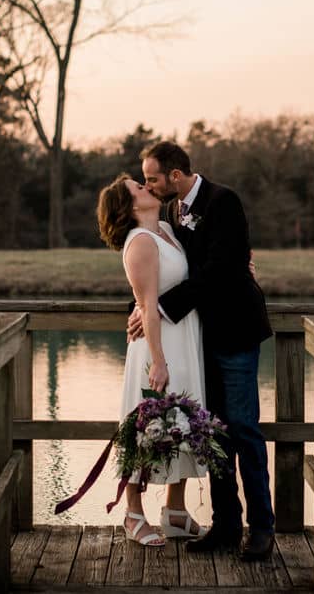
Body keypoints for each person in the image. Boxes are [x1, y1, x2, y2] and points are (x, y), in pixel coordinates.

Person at [131, 141, 275, 561]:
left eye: (152, 178)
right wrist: (139, 308)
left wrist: (157, 308)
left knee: (245, 430)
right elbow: (165, 271)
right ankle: (227, 525)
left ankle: (262, 528)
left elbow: (218, 270)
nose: (148, 185)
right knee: (214, 435)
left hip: (235, 333)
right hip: (199, 340)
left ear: (175, 176)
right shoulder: (172, 212)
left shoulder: (223, 201)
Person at [96, 173, 210, 547]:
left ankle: (175, 512)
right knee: (146, 425)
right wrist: (158, 361)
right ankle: (133, 513)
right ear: (130, 206)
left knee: (182, 422)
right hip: (156, 348)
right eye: (139, 189)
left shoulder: (165, 228)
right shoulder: (141, 242)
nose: (147, 188)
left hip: (183, 339)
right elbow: (146, 305)